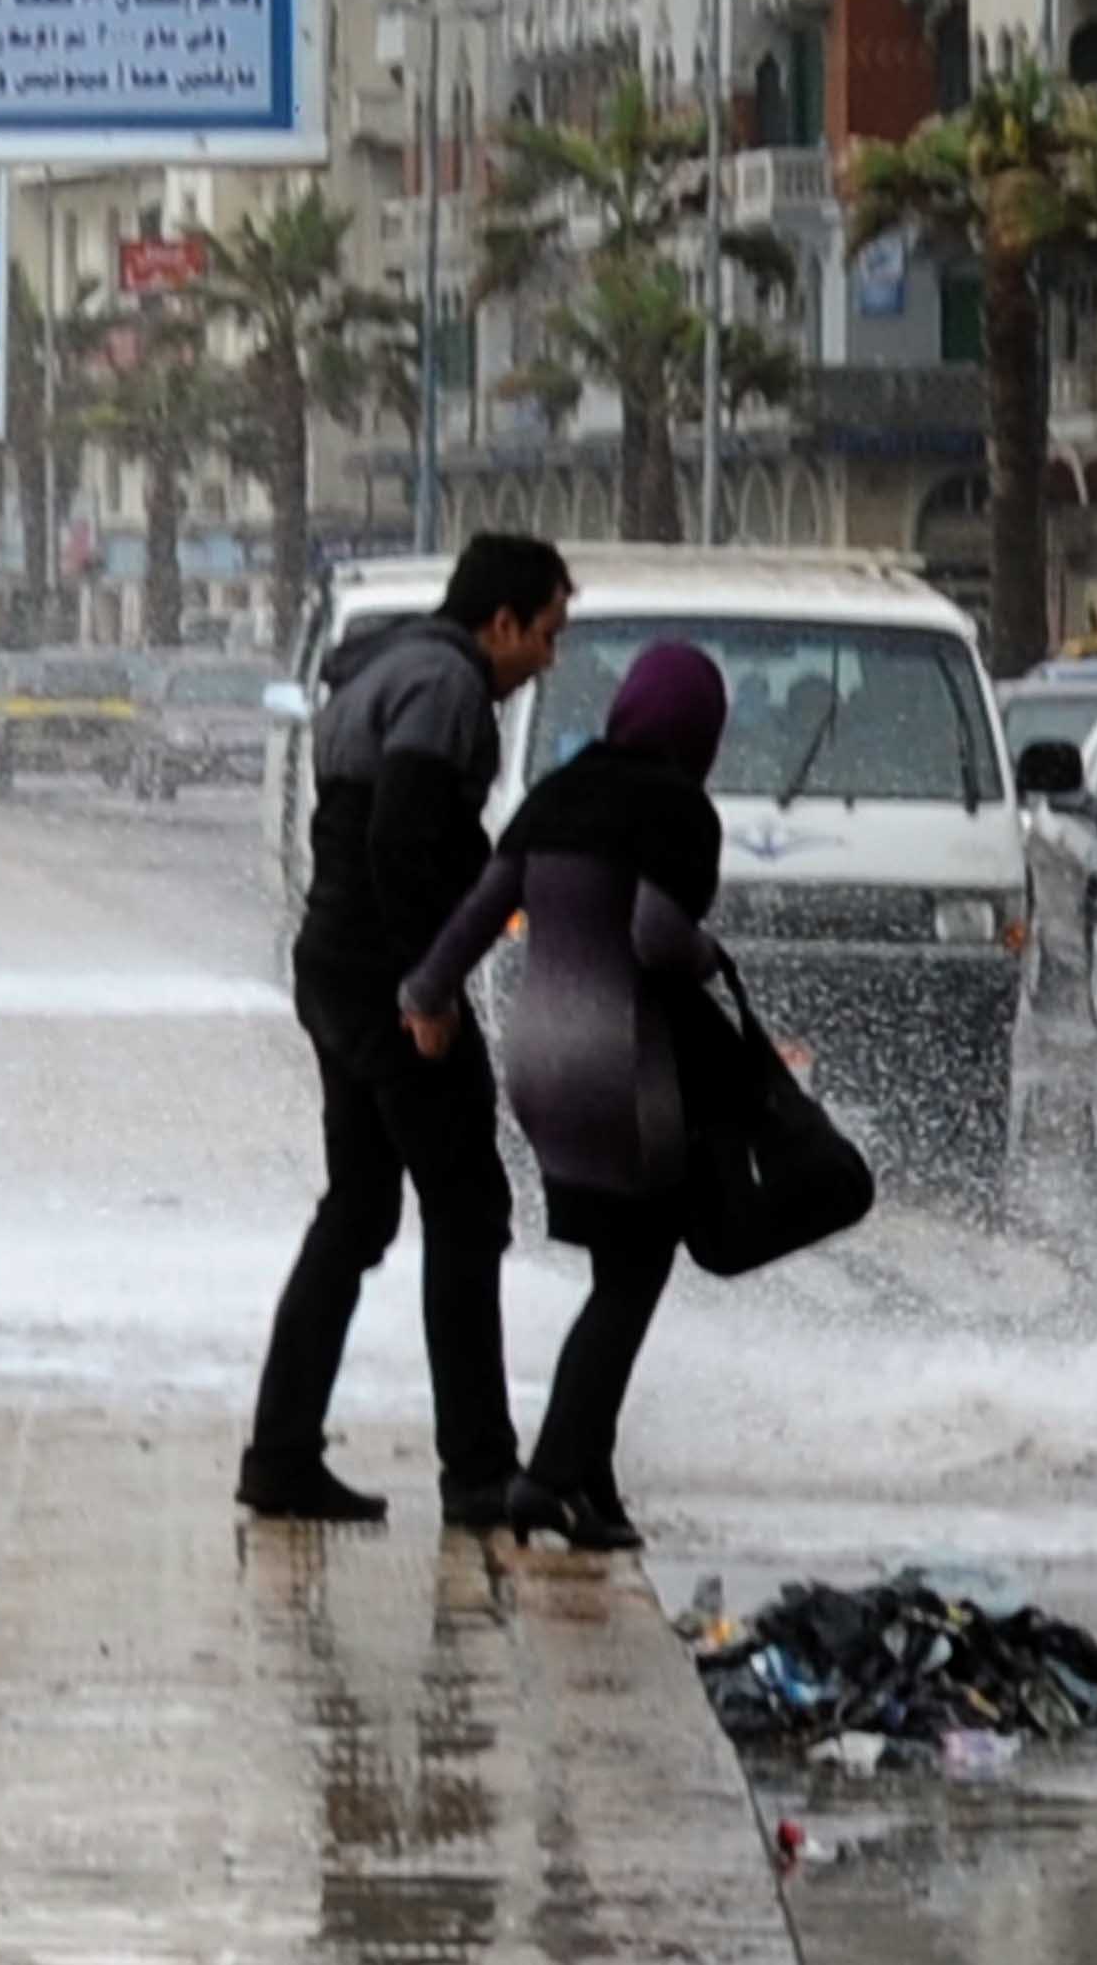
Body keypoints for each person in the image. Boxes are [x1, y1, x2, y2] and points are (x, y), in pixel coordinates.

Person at [240, 533, 572, 1527]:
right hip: (387, 980)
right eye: (546, 635)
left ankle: (282, 1453)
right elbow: (402, 839)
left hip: (335, 965)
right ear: (501, 622)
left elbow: (367, 831)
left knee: (359, 1210)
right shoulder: (447, 685)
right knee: (468, 1208)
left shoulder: (386, 665)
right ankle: (477, 1470)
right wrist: (428, 993)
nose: (546, 659)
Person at [396, 641, 731, 1551]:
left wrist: (423, 995)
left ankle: (589, 1483)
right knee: (633, 1277)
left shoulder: (559, 792)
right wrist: (710, 956)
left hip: (536, 1062)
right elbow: (658, 938)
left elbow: (476, 914)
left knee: (613, 1264)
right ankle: (548, 1478)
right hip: (620, 1063)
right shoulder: (679, 811)